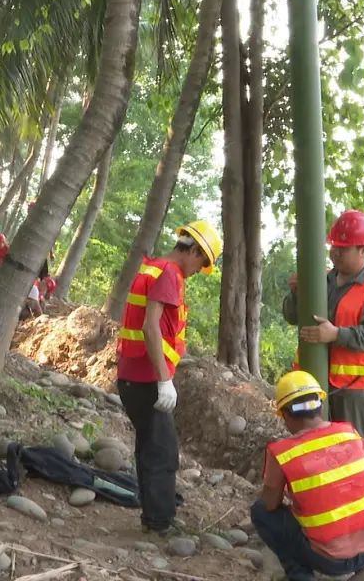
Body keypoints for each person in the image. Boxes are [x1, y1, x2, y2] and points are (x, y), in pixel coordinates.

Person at [116, 220, 222, 536]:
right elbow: (150, 327)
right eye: (200, 262)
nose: (196, 269)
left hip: (133, 374)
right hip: (147, 378)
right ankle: (160, 523)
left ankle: (153, 515)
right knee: (161, 451)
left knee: (151, 446)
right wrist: (164, 380)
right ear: (193, 250)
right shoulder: (168, 274)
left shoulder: (153, 268)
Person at [283, 209, 364, 494]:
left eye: (344, 249)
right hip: (316, 385)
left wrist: (337, 334)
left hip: (356, 391)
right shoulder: (322, 280)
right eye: (334, 247)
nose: (336, 254)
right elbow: (292, 315)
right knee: (317, 453)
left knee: (358, 455)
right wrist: (297, 292)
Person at [252, 371, 364, 581]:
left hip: (330, 561)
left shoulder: (283, 452)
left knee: (260, 512)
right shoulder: (350, 433)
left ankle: (300, 574)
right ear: (320, 405)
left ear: (285, 414)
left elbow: (269, 505)